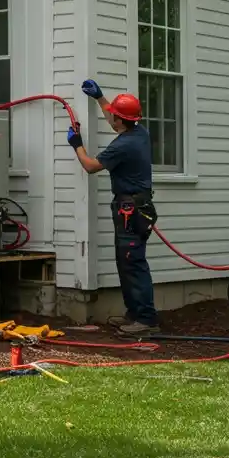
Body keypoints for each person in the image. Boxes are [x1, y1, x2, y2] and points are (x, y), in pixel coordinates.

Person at [67, 79, 159, 335]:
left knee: (133, 262)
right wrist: (99, 97)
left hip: (132, 210)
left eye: (115, 116)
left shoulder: (123, 145)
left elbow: (90, 166)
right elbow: (115, 116)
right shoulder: (140, 132)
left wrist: (77, 145)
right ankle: (134, 314)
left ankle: (146, 319)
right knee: (126, 261)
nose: (111, 119)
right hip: (135, 208)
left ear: (122, 121)